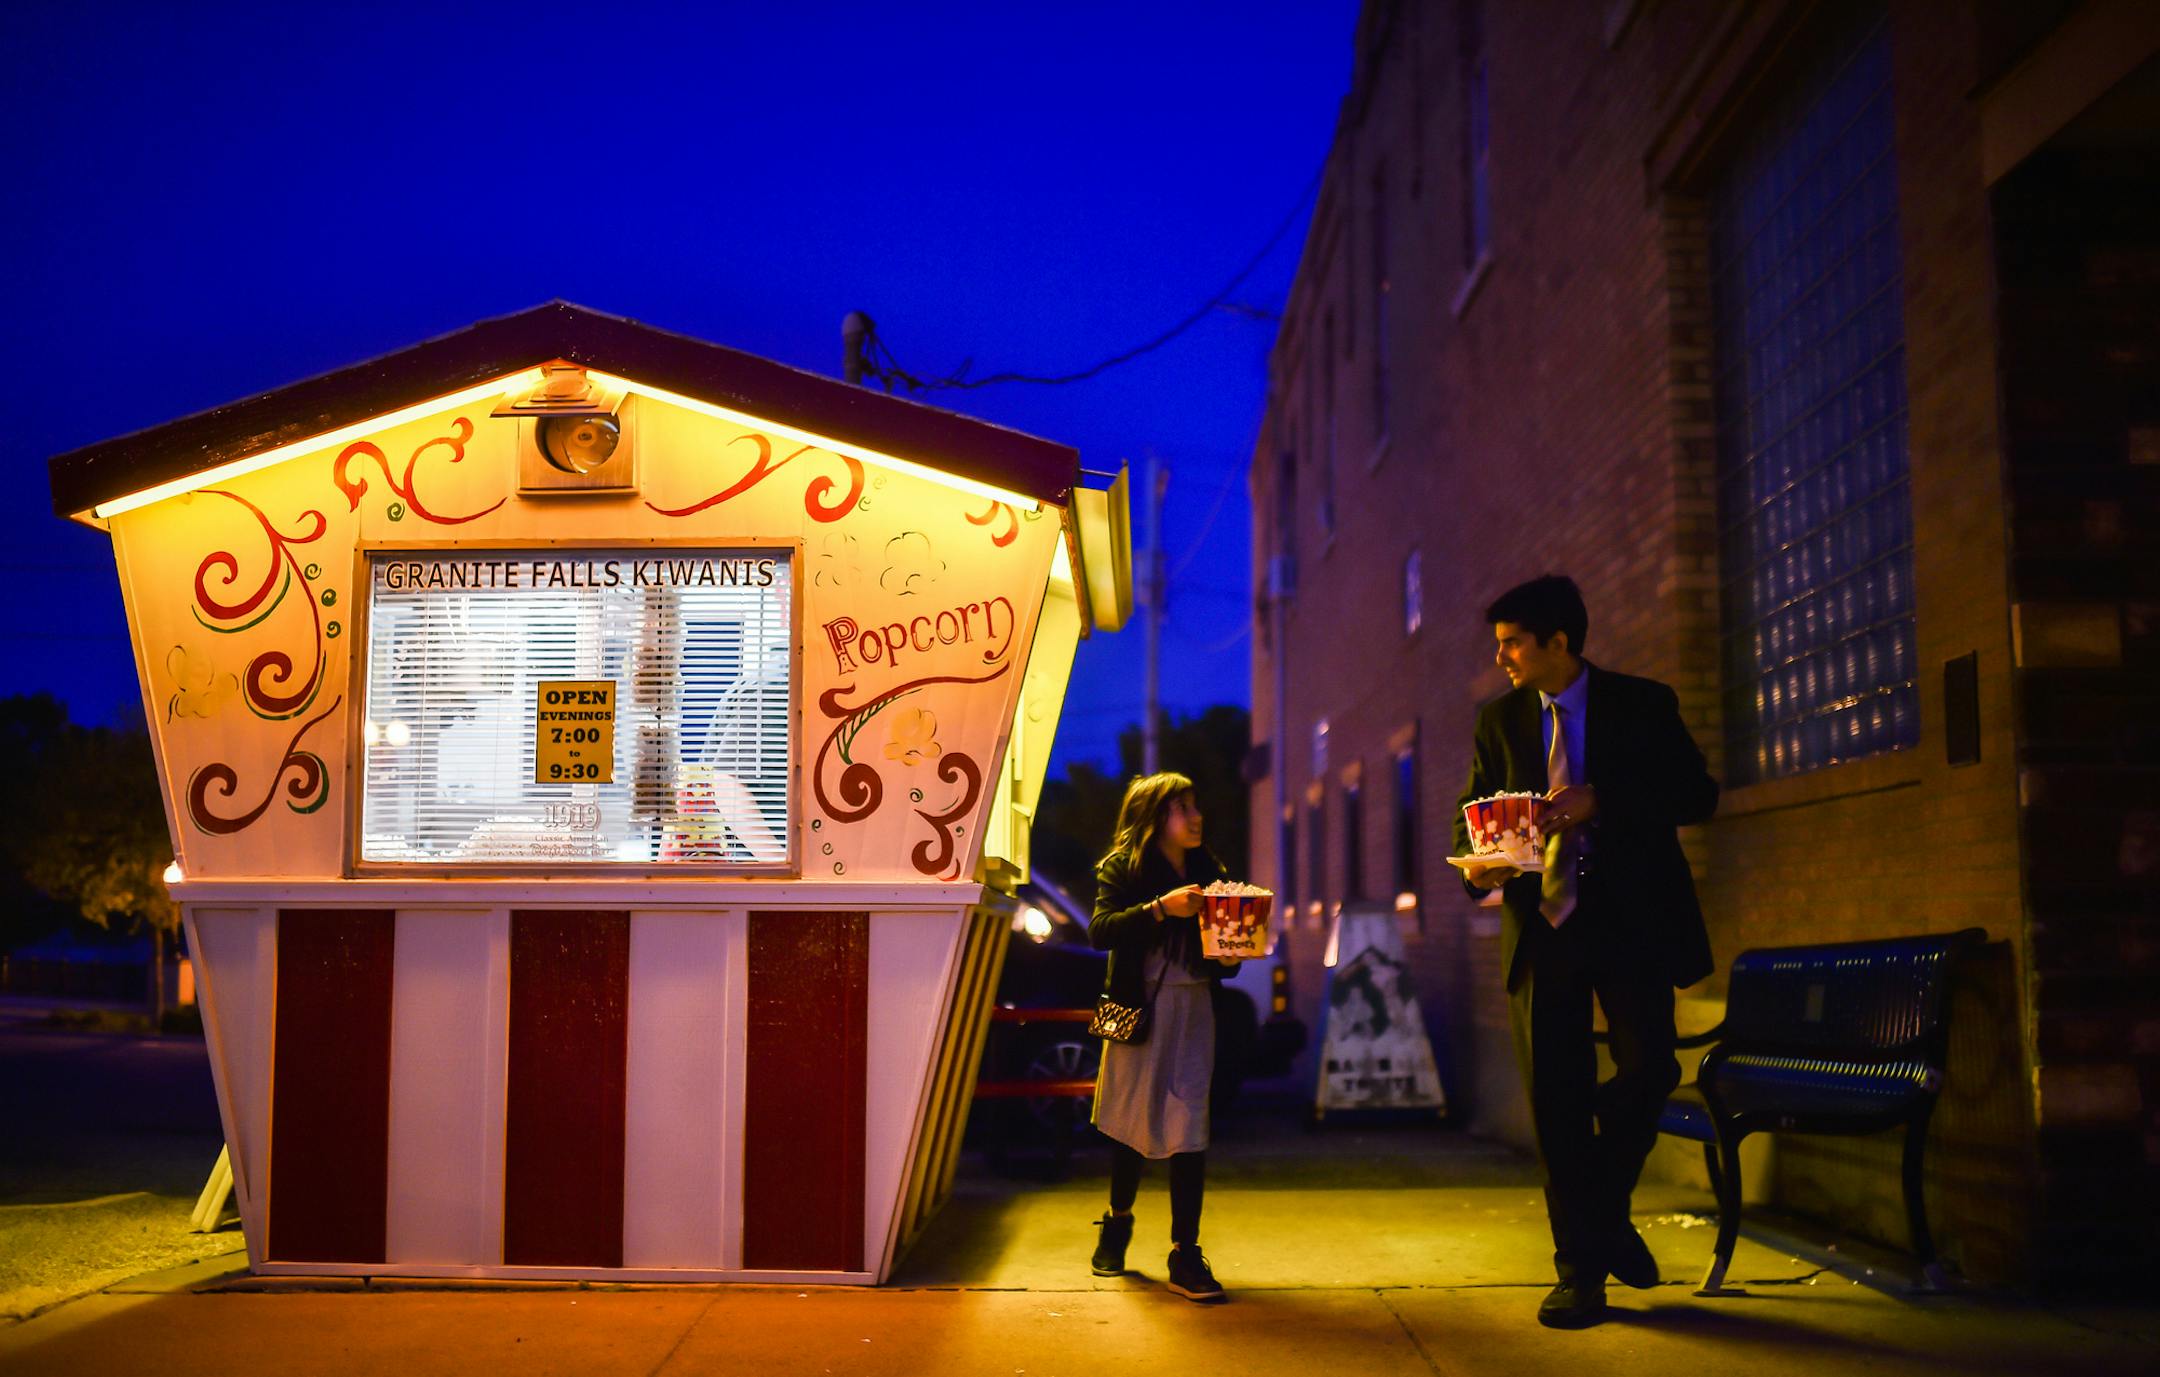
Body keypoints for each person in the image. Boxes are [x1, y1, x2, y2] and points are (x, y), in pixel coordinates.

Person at [1455, 575, 1718, 1329]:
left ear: (1558, 642)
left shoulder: (1643, 704)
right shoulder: (1498, 720)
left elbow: (1697, 795)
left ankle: (1600, 1213)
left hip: (1631, 921)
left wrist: (1603, 795)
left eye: (1512, 642)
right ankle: (1580, 1272)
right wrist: (1479, 863)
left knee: (1651, 1068)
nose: (1501, 656)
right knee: (1557, 1100)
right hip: (1542, 929)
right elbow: (1471, 817)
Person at [1085, 771, 1244, 1302]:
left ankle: (1186, 1251)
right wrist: (1159, 908)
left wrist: (1230, 952)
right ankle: (1118, 1221)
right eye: (1182, 808)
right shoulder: (1123, 868)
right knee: (1132, 1120)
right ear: (1155, 819)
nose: (1196, 817)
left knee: (1189, 1124)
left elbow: (1225, 960)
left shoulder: (1210, 870)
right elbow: (1100, 930)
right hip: (1138, 1010)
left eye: (1195, 805)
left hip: (1194, 1006)